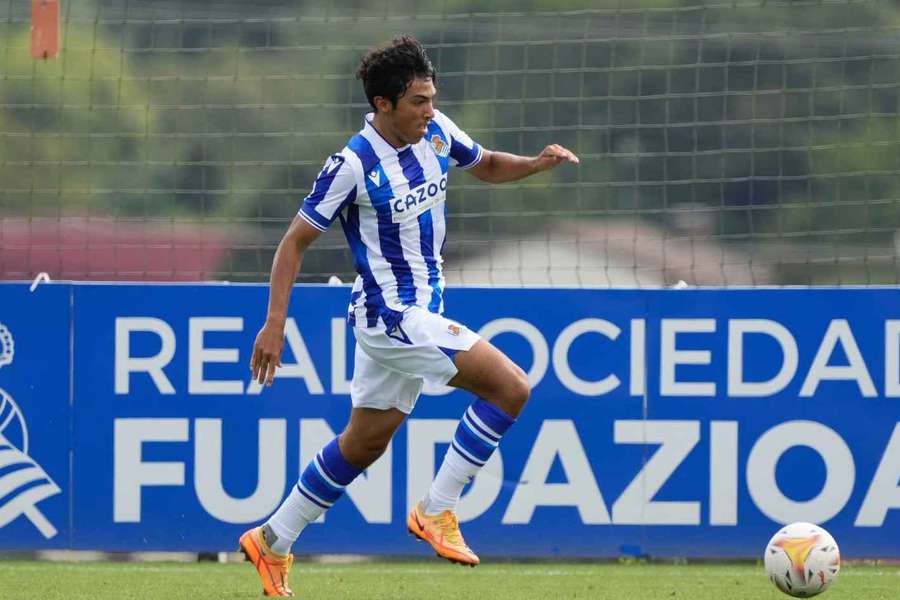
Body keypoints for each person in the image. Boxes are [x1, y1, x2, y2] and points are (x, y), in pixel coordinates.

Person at [239, 35, 579, 597]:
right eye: (418, 101)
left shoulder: (436, 131)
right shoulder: (351, 165)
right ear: (384, 105)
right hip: (390, 315)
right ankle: (436, 509)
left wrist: (537, 164)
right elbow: (293, 244)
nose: (429, 109)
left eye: (431, 98)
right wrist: (274, 325)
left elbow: (487, 164)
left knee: (364, 442)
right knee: (511, 389)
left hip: (419, 310)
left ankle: (273, 539)